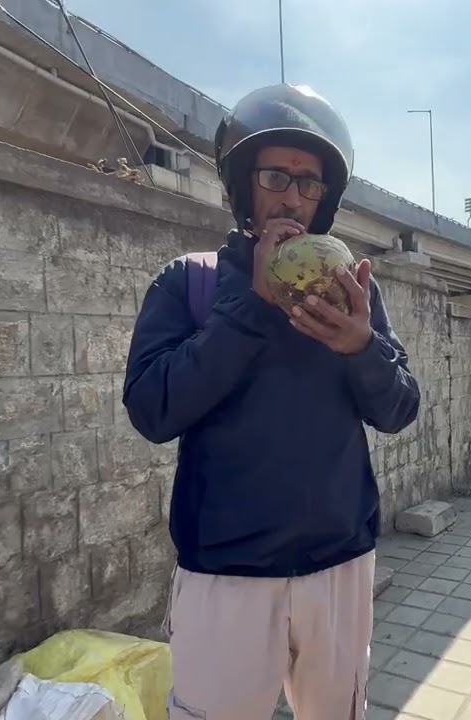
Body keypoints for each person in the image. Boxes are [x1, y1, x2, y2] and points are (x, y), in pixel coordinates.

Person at [122, 84, 421, 719]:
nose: (291, 196)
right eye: (275, 176)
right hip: (224, 576)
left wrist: (362, 347)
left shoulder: (351, 291)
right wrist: (250, 309)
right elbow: (152, 409)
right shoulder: (191, 283)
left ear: (324, 199)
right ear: (243, 184)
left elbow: (399, 409)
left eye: (308, 183)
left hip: (339, 567)